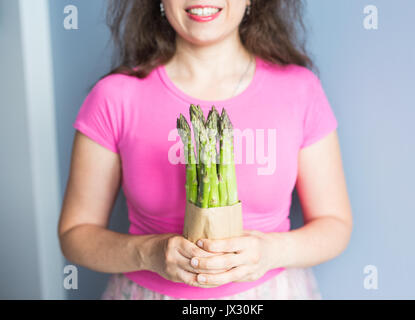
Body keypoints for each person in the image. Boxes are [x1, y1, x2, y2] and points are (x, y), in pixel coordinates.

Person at [58, 0, 353, 300]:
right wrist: (150, 253)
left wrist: (270, 252)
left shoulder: (299, 89)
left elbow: (335, 225)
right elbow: (76, 235)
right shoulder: (114, 97)